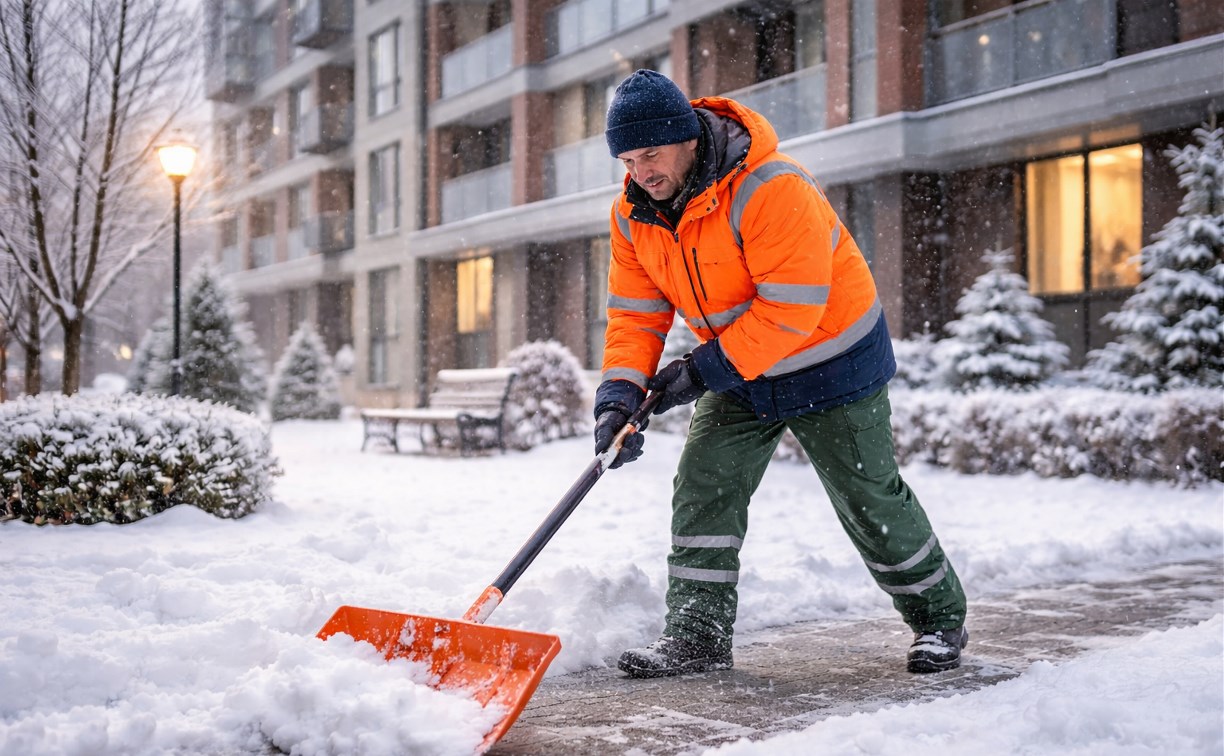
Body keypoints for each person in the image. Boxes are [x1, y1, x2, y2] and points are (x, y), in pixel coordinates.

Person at [592, 69, 968, 678]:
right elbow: (635, 315)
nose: (641, 173)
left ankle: (939, 619)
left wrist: (700, 372)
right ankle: (697, 636)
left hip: (832, 361)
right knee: (705, 484)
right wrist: (619, 396)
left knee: (866, 497)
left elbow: (792, 307)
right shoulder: (633, 214)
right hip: (741, 366)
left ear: (688, 138)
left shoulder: (771, 187)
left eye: (652, 155)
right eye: (629, 161)